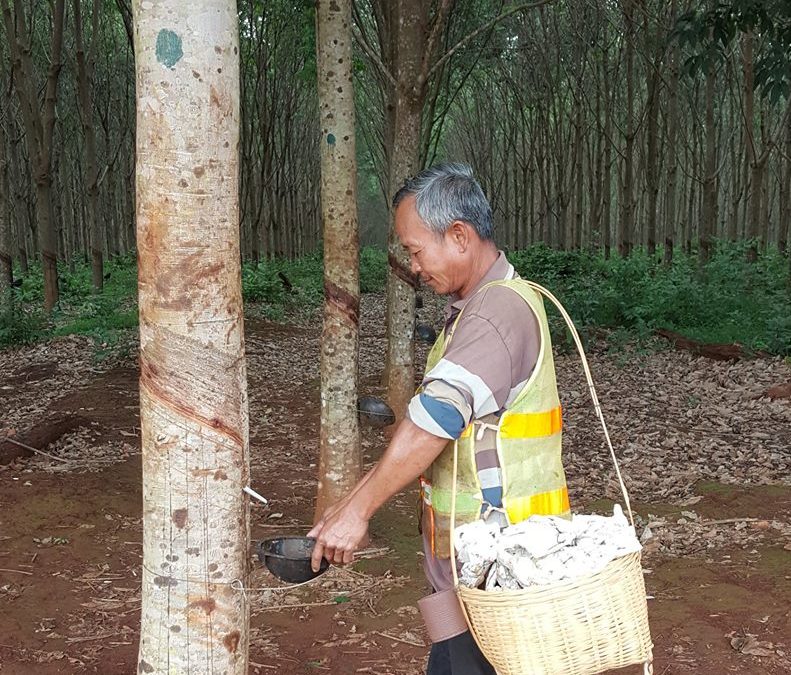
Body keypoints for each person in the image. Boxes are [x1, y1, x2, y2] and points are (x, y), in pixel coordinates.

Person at [309, 163, 570, 674]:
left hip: (500, 574)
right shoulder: (475, 311)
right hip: (471, 571)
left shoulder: (496, 315)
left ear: (459, 236)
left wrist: (358, 512)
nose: (414, 265)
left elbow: (431, 423)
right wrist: (347, 505)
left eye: (415, 249)